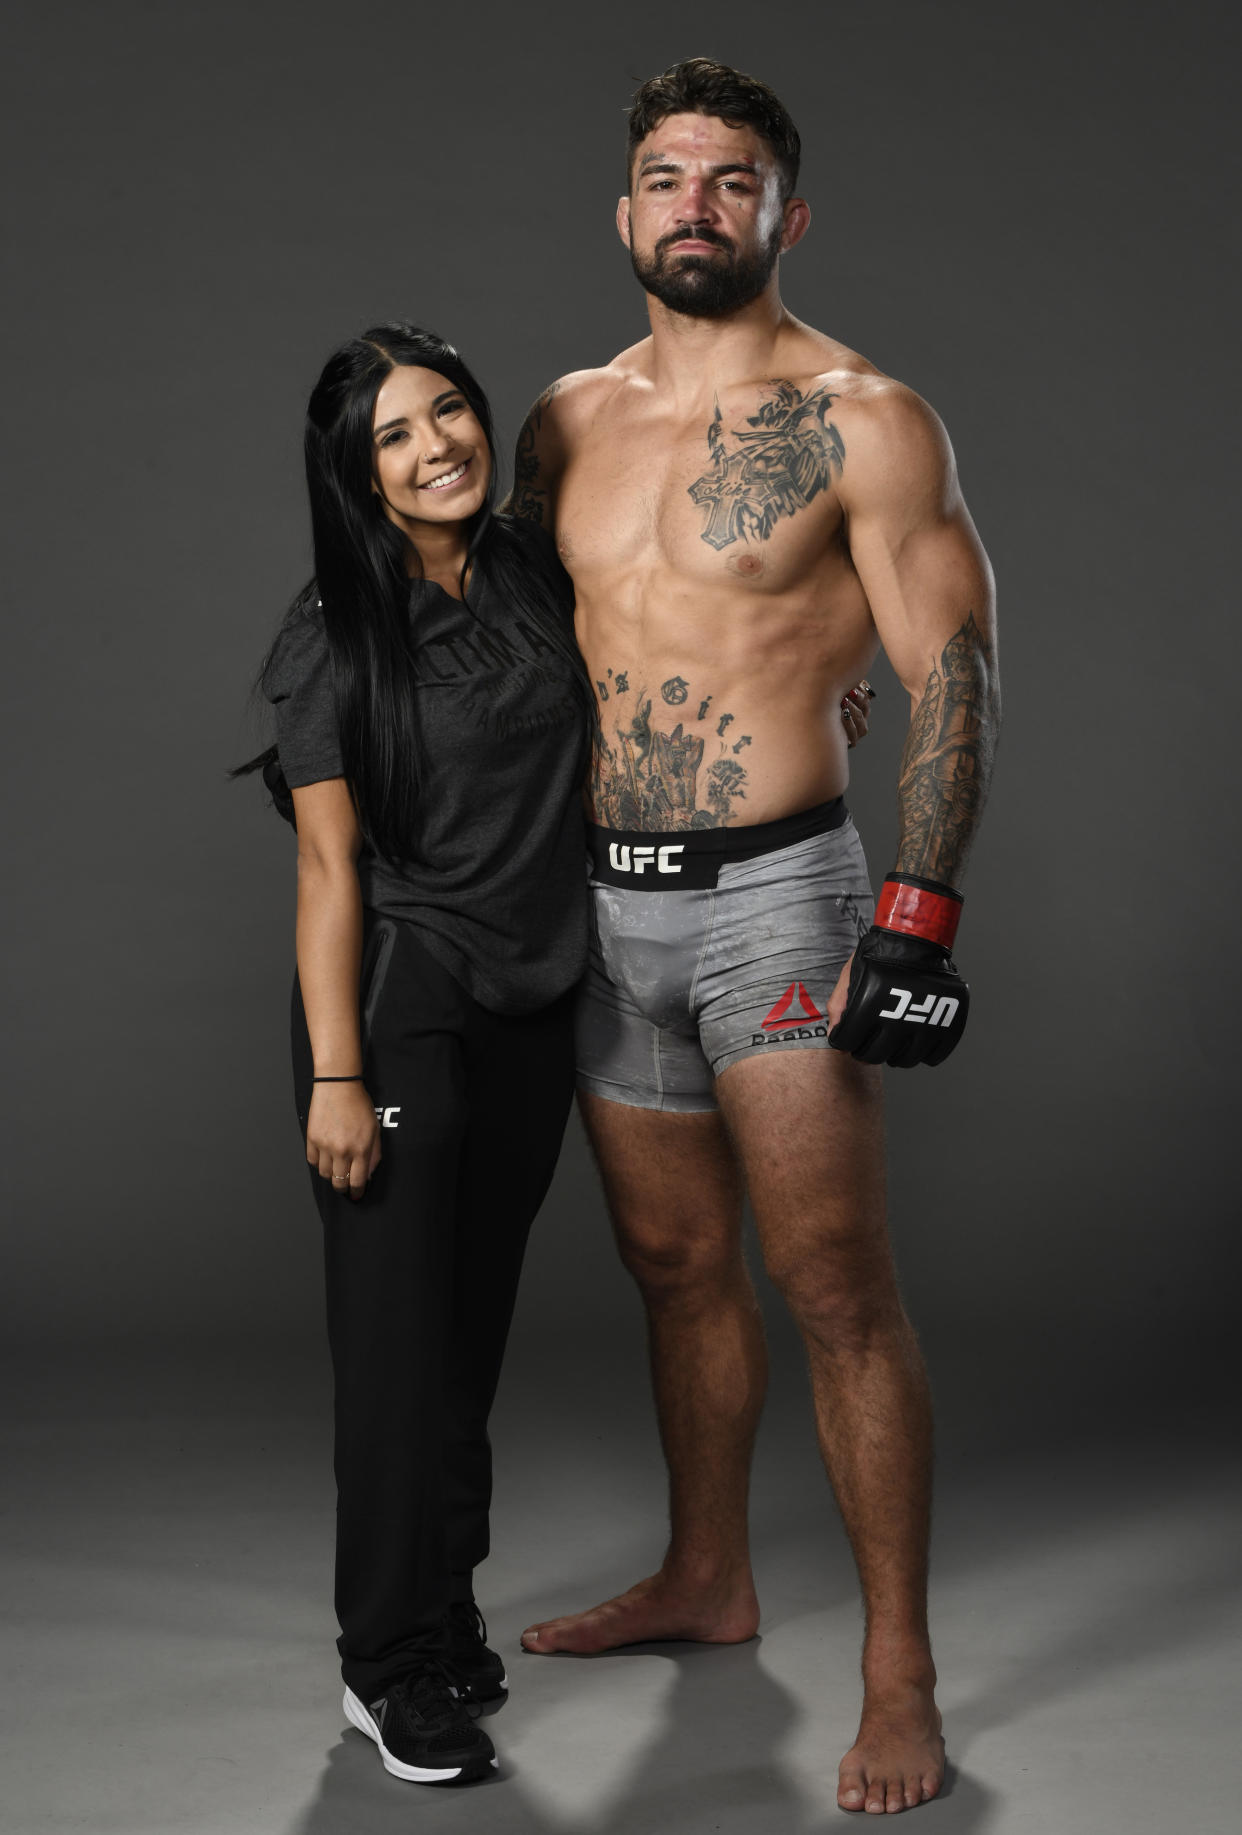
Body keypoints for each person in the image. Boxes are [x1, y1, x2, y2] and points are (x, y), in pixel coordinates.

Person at [509, 58, 1000, 1817]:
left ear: (788, 211)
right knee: (670, 1273)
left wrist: (916, 915)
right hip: (597, 899)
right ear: (624, 210)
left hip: (776, 899)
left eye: (732, 178)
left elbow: (948, 669)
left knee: (835, 1293)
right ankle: (707, 1579)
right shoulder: (563, 417)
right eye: (664, 177)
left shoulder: (867, 415)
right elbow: (507, 648)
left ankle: (896, 1675)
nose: (695, 204)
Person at [238, 323, 598, 1786]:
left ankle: (442, 1618)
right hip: (397, 1002)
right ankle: (383, 1671)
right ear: (353, 470)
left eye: (445, 410)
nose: (436, 442)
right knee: (394, 1356)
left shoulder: (528, 568)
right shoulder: (331, 632)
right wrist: (335, 1074)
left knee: (465, 1338)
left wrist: (812, 699)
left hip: (534, 995)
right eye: (392, 433)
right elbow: (328, 873)